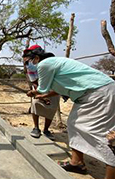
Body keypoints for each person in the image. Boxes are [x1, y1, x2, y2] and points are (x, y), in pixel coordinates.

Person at [24, 48, 115, 179]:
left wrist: (34, 92)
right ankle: (76, 162)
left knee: (97, 133)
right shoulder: (56, 64)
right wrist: (43, 94)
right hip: (95, 92)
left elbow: (41, 88)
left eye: (29, 62)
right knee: (74, 124)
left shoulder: (44, 64)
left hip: (97, 93)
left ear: (36, 58)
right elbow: (59, 89)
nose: (28, 65)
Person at [23, 45, 60, 140]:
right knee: (36, 104)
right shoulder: (30, 66)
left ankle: (46, 130)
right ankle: (36, 128)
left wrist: (48, 94)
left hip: (54, 87)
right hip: (39, 87)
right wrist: (41, 95)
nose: (28, 58)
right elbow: (34, 81)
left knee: (52, 107)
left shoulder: (49, 63)